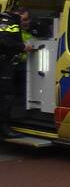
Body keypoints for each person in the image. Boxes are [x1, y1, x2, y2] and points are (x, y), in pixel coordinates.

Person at [0, 9, 32, 137]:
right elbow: (3, 41)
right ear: (18, 15)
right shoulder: (8, 21)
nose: (25, 22)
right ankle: (4, 128)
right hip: (3, 63)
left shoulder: (10, 20)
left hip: (7, 63)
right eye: (23, 19)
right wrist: (22, 47)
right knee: (7, 95)